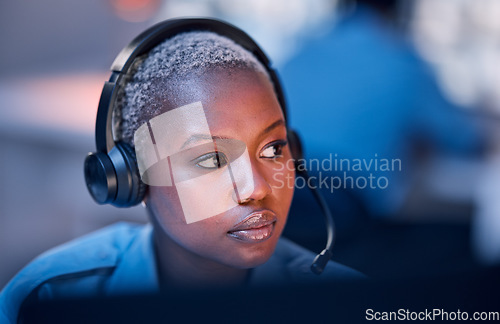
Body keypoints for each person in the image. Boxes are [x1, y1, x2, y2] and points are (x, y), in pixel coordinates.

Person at [0, 19, 363, 324]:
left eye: (273, 149)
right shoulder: (47, 300)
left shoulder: (347, 303)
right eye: (211, 160)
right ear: (133, 176)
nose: (255, 188)